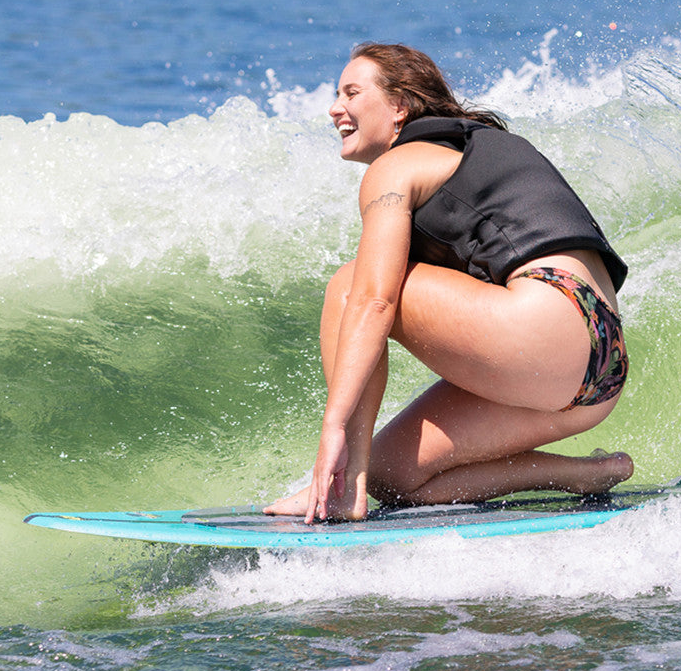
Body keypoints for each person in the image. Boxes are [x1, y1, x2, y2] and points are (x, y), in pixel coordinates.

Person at [266, 42, 633, 524]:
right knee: (393, 477)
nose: (336, 107)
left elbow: (374, 301)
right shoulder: (470, 147)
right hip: (600, 371)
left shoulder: (397, 165)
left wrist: (333, 427)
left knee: (351, 283)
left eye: (352, 92)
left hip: (548, 318)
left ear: (399, 105)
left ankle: (339, 486)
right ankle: (584, 474)